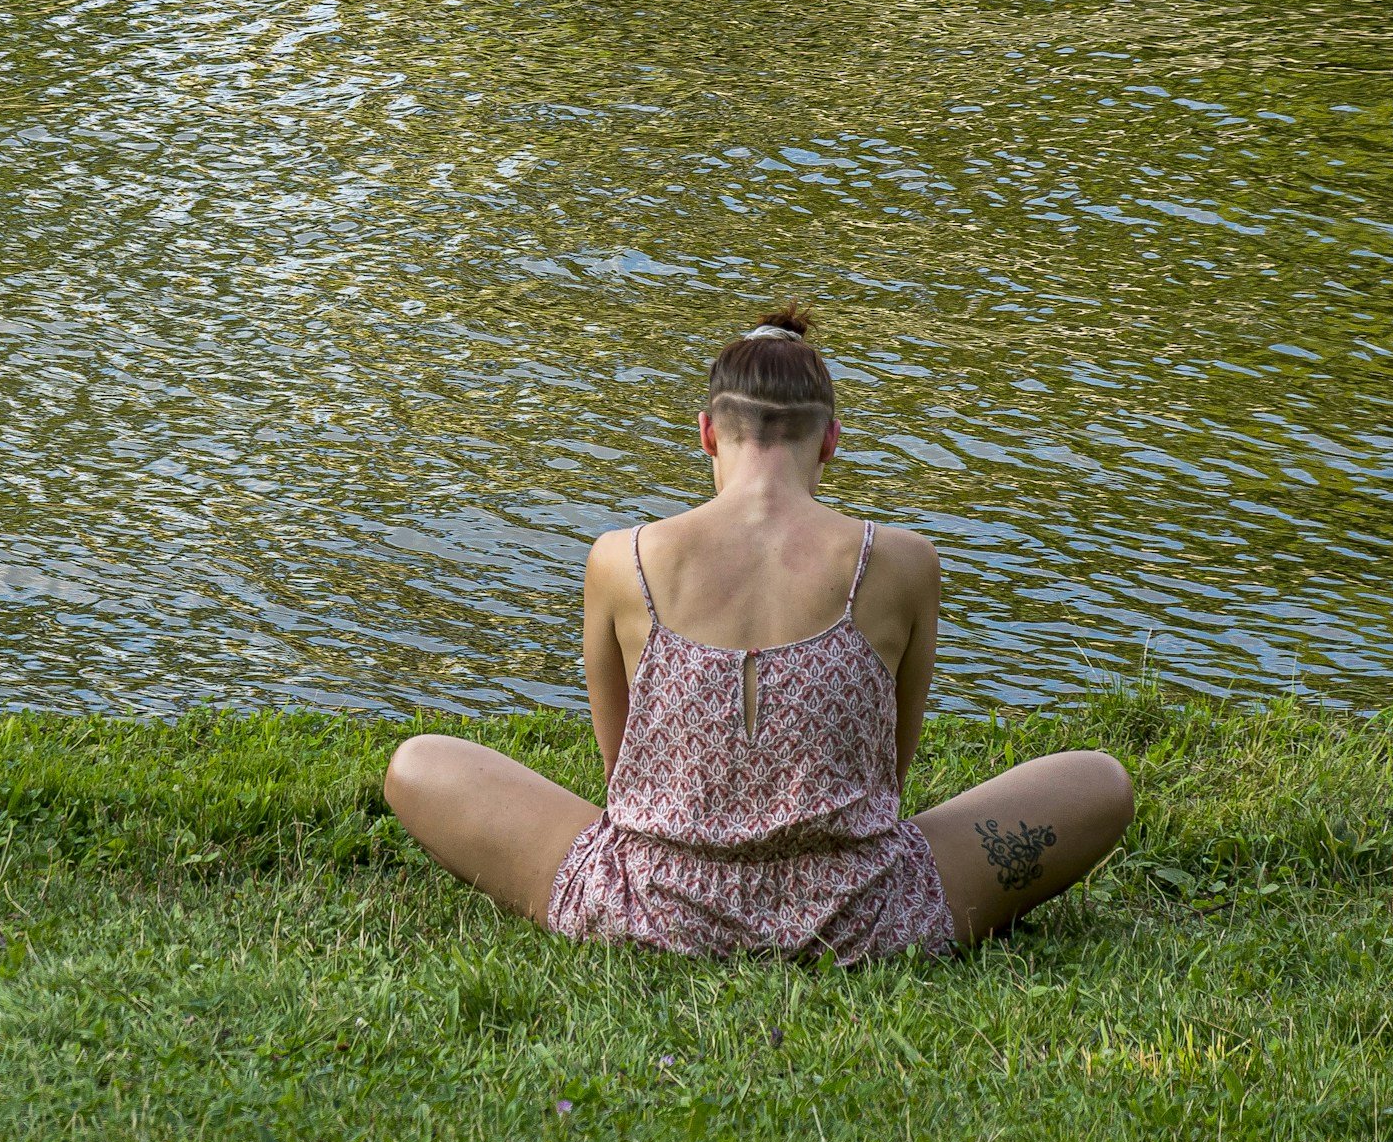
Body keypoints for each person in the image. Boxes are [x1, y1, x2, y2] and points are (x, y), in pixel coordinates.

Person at [382, 305, 1133, 962]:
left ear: (707, 432)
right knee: (1102, 782)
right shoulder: (903, 561)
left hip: (647, 904)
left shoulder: (621, 558)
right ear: (831, 440)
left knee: (418, 763)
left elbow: (623, 779)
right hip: (862, 913)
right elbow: (889, 780)